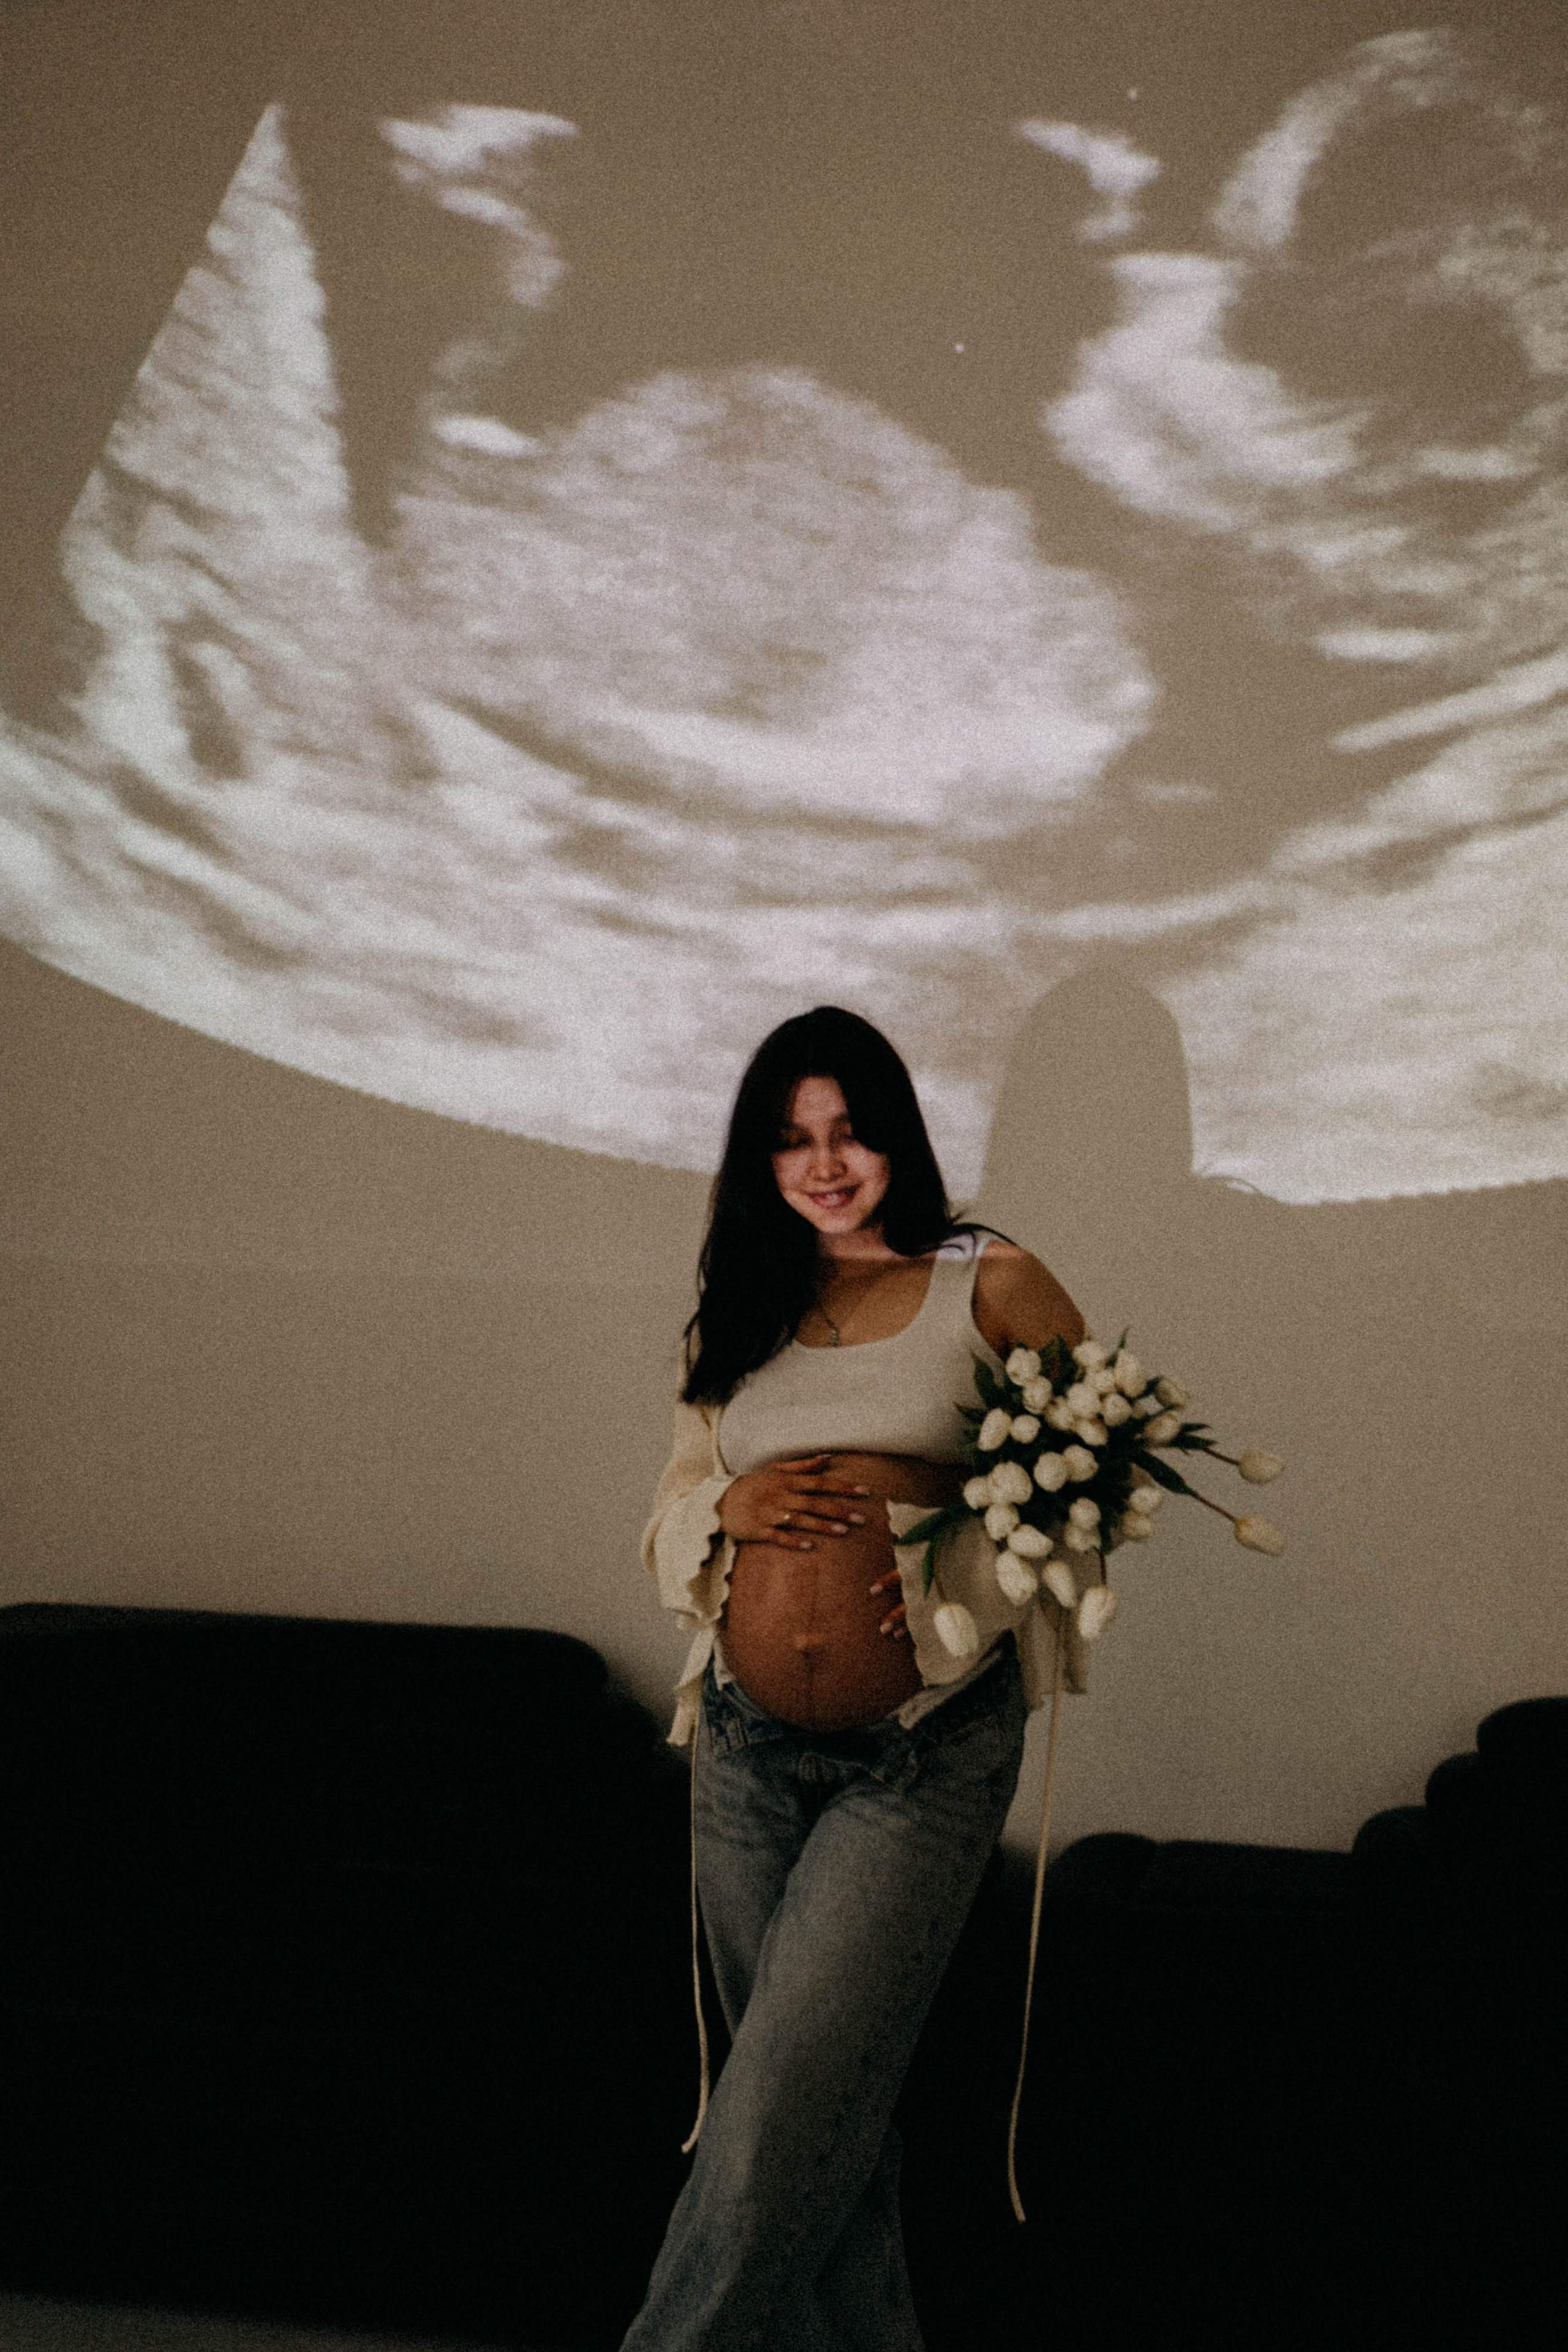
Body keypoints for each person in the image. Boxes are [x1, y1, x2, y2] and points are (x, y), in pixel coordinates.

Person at [622, 1005, 1090, 2352]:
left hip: (920, 1752)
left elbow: (1090, 1492)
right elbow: (669, 1507)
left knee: (777, 2107)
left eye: (849, 1133)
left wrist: (950, 1564)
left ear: (896, 1133)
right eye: (789, 1143)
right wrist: (735, 1503)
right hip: (741, 1749)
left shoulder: (985, 1278)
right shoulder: (744, 1307)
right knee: (826, 2119)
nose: (823, 1165)